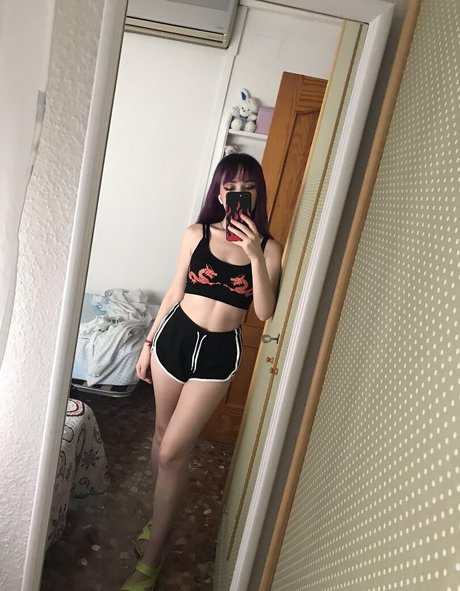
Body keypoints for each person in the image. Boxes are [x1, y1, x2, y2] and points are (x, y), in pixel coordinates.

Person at [121, 153, 282, 591]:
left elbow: (264, 311)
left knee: (173, 451)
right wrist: (147, 344)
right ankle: (159, 518)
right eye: (229, 187)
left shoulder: (269, 248)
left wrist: (253, 253)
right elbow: (175, 290)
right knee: (160, 437)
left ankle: (152, 559)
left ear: (257, 194)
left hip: (218, 355)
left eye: (247, 187)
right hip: (173, 340)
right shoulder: (196, 234)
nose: (237, 194)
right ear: (219, 193)